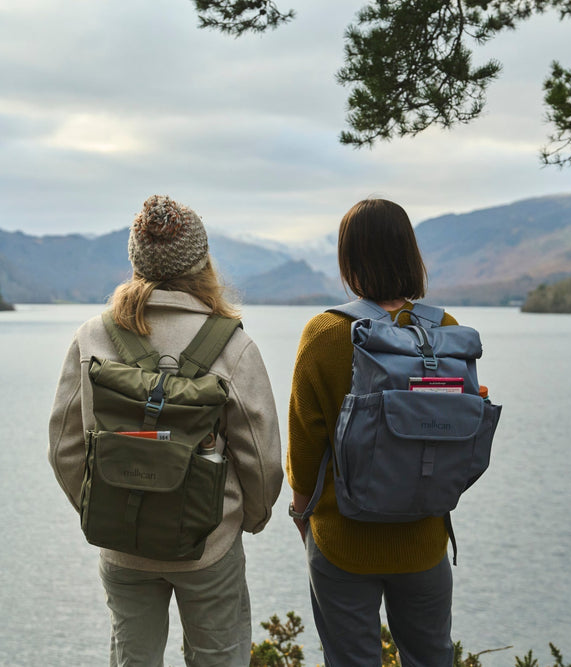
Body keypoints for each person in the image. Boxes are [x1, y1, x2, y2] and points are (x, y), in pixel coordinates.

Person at [48, 195, 283, 667]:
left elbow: (64, 449)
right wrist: (248, 519)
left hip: (121, 544)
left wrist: (107, 505)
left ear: (135, 262)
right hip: (209, 543)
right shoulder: (233, 344)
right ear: (202, 264)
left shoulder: (92, 337)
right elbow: (262, 456)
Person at [287, 198, 458, 666]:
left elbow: (304, 443)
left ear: (349, 258)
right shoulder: (443, 329)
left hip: (343, 539)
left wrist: (303, 519)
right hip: (424, 537)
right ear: (409, 254)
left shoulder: (324, 333)